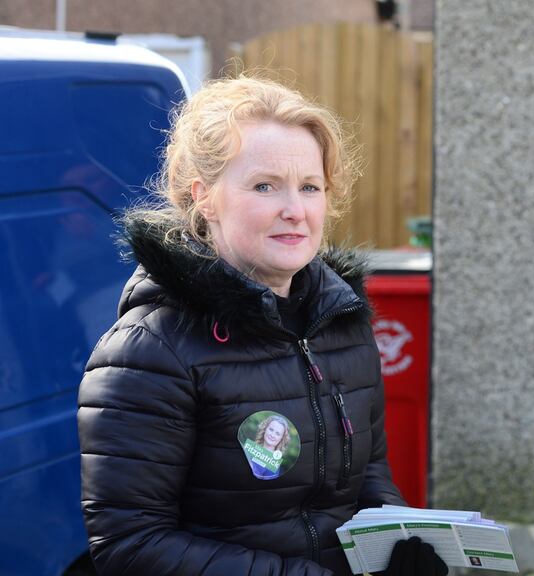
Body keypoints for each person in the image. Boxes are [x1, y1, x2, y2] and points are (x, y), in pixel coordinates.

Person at [78, 76, 448, 576]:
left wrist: (396, 549)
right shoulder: (149, 350)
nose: (294, 211)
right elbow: (131, 546)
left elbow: (369, 479)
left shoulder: (342, 325)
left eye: (310, 187)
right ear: (204, 198)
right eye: (264, 186)